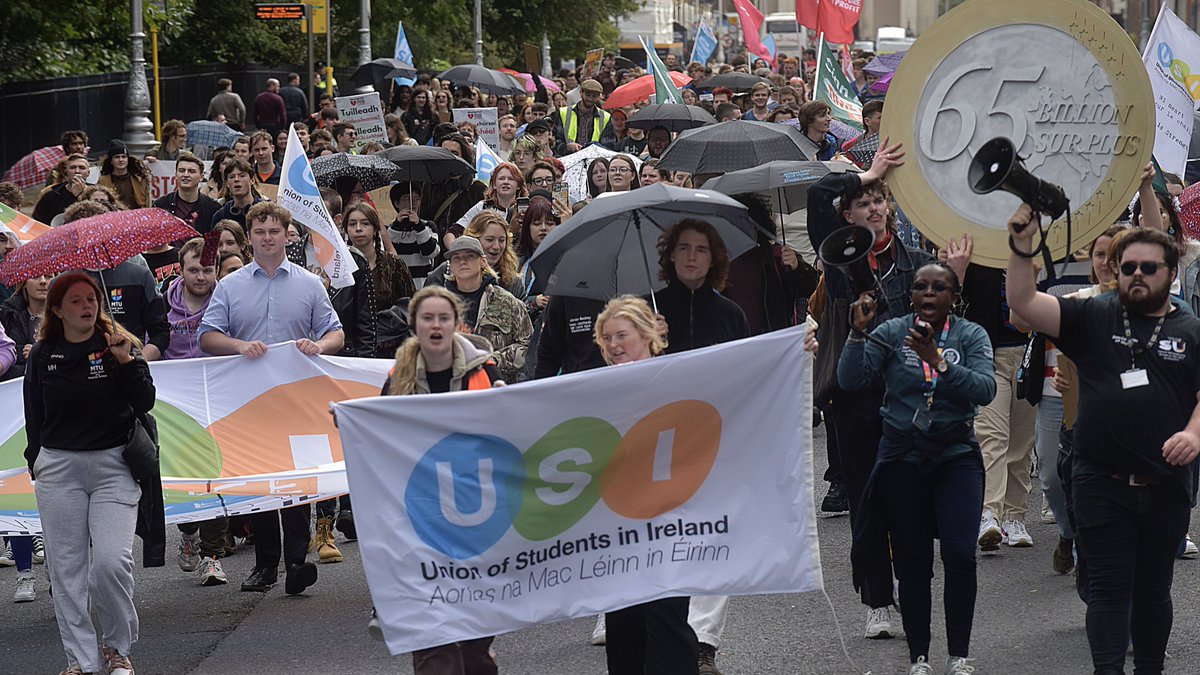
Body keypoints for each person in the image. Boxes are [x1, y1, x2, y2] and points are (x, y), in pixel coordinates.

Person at [1006, 210, 1200, 674]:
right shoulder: (1092, 313)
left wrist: (1193, 433)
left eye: (1148, 268)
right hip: (1099, 481)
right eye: (1127, 266)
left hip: (1165, 485)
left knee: (1154, 591)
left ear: (1170, 274)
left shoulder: (1190, 329)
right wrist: (1021, 244)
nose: (1136, 275)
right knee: (1109, 593)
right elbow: (1023, 303)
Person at [806, 141, 963, 641]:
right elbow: (818, 197)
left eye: (879, 200)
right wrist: (866, 172)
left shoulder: (917, 260)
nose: (874, 207)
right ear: (848, 215)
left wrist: (953, 277)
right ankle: (877, 598)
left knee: (913, 499)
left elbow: (944, 328)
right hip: (854, 402)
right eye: (863, 202)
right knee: (869, 498)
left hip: (910, 400)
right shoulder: (839, 259)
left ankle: (912, 580)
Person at [828, 262, 995, 675]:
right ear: (911, 296)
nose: (928, 293)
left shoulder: (970, 334)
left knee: (960, 554)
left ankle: (959, 654)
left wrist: (939, 362)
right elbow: (850, 380)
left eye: (939, 287)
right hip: (904, 458)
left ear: (953, 296)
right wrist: (856, 332)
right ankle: (919, 655)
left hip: (955, 455)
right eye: (921, 287)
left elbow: (985, 389)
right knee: (913, 561)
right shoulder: (891, 331)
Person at [198, 202, 344, 595]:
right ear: (250, 238)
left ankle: (297, 562)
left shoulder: (309, 284)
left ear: (286, 235)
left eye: (274, 231)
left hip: (296, 401)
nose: (267, 238)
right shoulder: (230, 286)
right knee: (260, 483)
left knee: (295, 484)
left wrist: (318, 346)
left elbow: (336, 333)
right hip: (248, 403)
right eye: (260, 232)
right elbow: (207, 336)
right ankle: (264, 565)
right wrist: (239, 345)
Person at [24, 272, 154, 675]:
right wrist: (38, 461)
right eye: (76, 300)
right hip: (59, 470)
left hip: (113, 466)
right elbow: (34, 417)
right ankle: (80, 660)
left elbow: (145, 401)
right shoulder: (43, 354)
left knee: (111, 564)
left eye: (92, 298)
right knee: (67, 572)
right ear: (58, 310)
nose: (87, 306)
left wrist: (126, 361)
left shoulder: (118, 345)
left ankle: (117, 649)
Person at [376, 284, 505, 673]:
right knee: (434, 642)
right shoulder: (397, 378)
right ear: (414, 325)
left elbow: (510, 438)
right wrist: (349, 424)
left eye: (443, 318)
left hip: (475, 516)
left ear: (457, 325)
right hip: (421, 517)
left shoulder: (485, 370)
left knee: (473, 641)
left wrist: (506, 403)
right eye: (427, 318)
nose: (436, 325)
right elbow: (377, 437)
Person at [651, 219, 748, 675]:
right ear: (670, 255)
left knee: (712, 539)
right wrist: (649, 339)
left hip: (713, 442)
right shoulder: (647, 309)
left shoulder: (730, 314)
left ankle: (704, 643)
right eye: (683, 248)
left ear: (715, 259)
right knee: (661, 536)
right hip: (657, 442)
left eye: (702, 250)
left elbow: (749, 375)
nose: (692, 257)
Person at [595, 296, 699, 675]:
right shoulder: (593, 389)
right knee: (624, 633)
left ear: (649, 336)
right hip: (616, 534)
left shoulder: (678, 378)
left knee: (667, 624)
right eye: (606, 337)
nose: (613, 344)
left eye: (622, 335)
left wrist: (793, 352)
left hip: (669, 527)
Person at [164, 238, 231, 587]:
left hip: (216, 399)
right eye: (193, 270)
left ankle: (212, 555)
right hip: (176, 402)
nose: (201, 277)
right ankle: (188, 531)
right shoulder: (164, 303)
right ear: (181, 269)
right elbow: (154, 341)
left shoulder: (226, 299)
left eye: (207, 269)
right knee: (182, 478)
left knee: (214, 477)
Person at [438, 236, 532, 382]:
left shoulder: (507, 302)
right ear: (451, 265)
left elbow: (528, 345)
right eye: (456, 258)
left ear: (483, 262)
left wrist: (492, 360)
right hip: (452, 386)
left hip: (496, 385)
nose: (462, 261)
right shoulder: (439, 305)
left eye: (469, 256)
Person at [343, 202, 417, 356]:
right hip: (351, 347)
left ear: (375, 228)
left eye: (365, 223)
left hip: (390, 346)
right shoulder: (339, 267)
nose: (358, 228)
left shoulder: (394, 264)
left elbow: (412, 303)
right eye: (352, 224)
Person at [387, 183, 441, 288]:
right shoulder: (390, 229)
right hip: (398, 286)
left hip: (422, 284)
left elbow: (432, 252)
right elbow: (388, 252)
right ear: (397, 203)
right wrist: (397, 225)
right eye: (407, 199)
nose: (413, 203)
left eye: (417, 198)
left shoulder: (428, 226)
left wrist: (419, 227)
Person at [153, 153, 222, 235]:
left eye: (191, 171)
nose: (186, 175)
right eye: (181, 170)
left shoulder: (213, 208)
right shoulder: (160, 205)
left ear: (201, 177)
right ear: (176, 175)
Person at [552, 79, 613, 155]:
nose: (590, 99)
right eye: (588, 95)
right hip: (568, 158)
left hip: (594, 160)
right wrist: (567, 147)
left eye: (594, 96)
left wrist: (595, 148)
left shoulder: (605, 117)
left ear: (599, 97)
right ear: (581, 93)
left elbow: (608, 146)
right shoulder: (564, 113)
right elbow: (555, 141)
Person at [32, 153, 91, 223]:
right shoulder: (51, 196)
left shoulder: (96, 194)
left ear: (88, 173)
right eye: (73, 167)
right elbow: (38, 222)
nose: (77, 171)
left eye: (82, 168)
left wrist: (79, 196)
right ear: (66, 171)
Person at [210, 158, 265, 232]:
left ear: (252, 180)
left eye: (242, 176)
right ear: (227, 183)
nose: (236, 179)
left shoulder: (266, 211)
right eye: (231, 177)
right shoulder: (220, 216)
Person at [96, 140, 151, 210]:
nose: (121, 160)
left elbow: (147, 202)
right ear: (111, 161)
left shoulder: (139, 179)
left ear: (128, 159)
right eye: (117, 157)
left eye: (124, 156)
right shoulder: (103, 181)